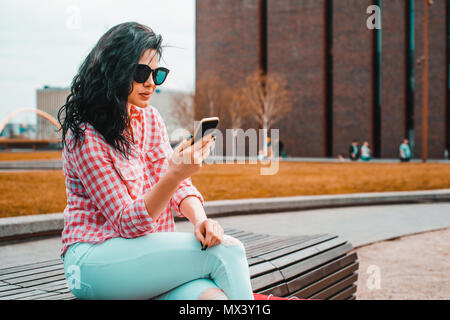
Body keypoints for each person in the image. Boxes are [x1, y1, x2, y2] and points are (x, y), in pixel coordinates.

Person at [57, 22, 254, 300]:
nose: (150, 82)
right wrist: (173, 175)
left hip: (142, 258)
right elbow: (127, 222)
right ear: (115, 70)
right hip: (92, 262)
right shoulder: (86, 135)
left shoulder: (149, 119)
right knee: (227, 252)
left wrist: (200, 220)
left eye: (157, 73)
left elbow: (180, 186)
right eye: (141, 73)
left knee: (213, 300)